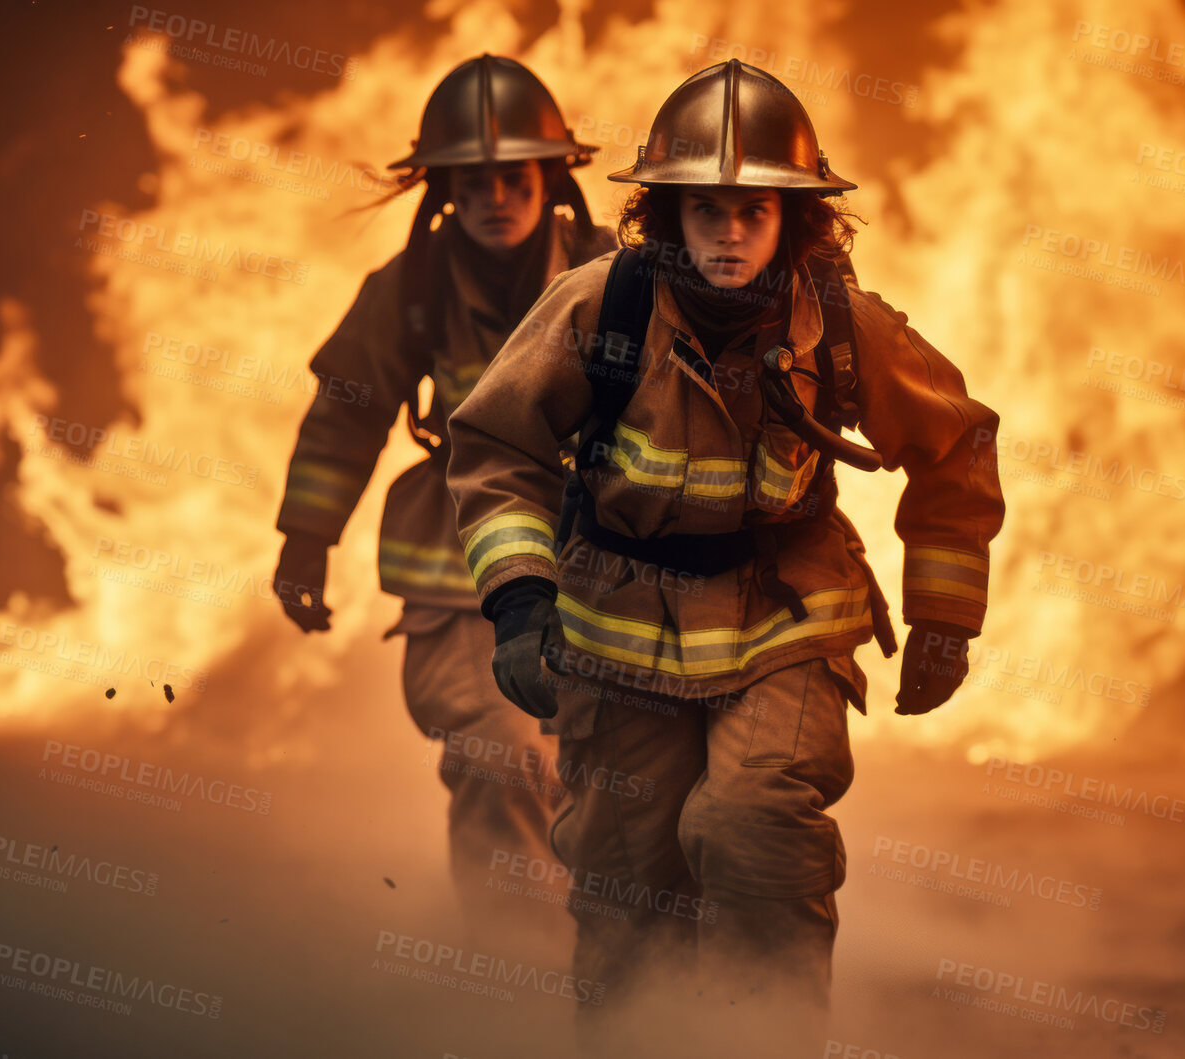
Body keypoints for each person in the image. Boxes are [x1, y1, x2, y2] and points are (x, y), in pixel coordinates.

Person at [445, 59, 1006, 1059]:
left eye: (756, 210)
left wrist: (943, 616)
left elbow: (954, 441)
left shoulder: (841, 327)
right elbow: (494, 447)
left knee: (747, 831)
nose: (731, 233)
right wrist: (520, 602)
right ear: (665, 216)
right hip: (617, 635)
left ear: (797, 220)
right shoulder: (596, 311)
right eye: (706, 210)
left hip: (780, 624)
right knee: (624, 872)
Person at [272, 54, 615, 954]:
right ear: (443, 188)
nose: (496, 196)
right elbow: (342, 420)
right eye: (474, 181)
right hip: (460, 581)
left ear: (550, 177)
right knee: (503, 753)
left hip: (603, 570)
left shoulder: (621, 277)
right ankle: (516, 982)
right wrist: (305, 539)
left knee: (614, 776)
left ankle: (628, 992)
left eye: (514, 176)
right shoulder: (407, 295)